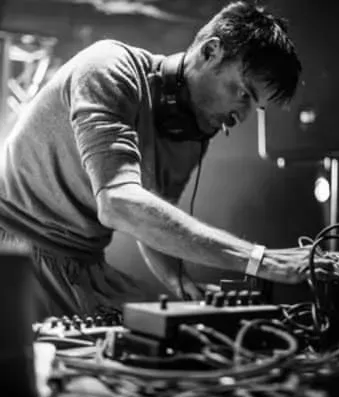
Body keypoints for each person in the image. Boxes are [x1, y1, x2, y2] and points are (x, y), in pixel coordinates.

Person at [0, 0, 322, 319]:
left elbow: (150, 221)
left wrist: (179, 282)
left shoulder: (192, 134)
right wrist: (260, 260)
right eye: (243, 93)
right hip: (13, 254)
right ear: (210, 51)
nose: (243, 115)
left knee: (165, 335)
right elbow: (119, 203)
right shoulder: (107, 69)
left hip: (81, 265)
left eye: (255, 106)